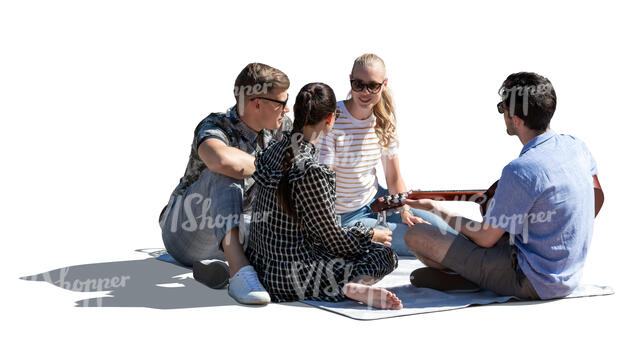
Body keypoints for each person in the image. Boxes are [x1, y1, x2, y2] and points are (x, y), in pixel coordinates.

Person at [404, 72, 602, 300]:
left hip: (531, 280)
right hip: (569, 274)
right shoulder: (577, 146)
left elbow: (485, 237)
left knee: (416, 235)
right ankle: (471, 275)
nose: (502, 114)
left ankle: (474, 278)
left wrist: (434, 208)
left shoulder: (521, 170)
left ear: (516, 119)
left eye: (502, 108)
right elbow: (595, 198)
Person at [246, 82, 402, 310]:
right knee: (384, 254)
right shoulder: (312, 171)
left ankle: (352, 285)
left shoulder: (272, 149)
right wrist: (370, 235)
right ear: (330, 119)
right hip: (291, 277)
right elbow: (334, 240)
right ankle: (354, 285)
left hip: (261, 267)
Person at [158, 62, 293, 304]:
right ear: (257, 103)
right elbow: (219, 159)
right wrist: (273, 167)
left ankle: (217, 269)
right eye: (281, 103)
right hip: (188, 230)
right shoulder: (215, 125)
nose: (287, 108)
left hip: (242, 227)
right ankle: (239, 271)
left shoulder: (282, 130)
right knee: (226, 170)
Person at [317, 53, 454, 256]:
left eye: (372, 86)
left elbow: (394, 177)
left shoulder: (383, 118)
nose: (365, 91)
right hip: (345, 217)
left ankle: (495, 248)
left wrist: (404, 210)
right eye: (358, 84)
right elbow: (322, 181)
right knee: (425, 240)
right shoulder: (332, 118)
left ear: (384, 84)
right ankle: (482, 262)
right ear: (350, 80)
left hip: (378, 201)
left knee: (441, 225)